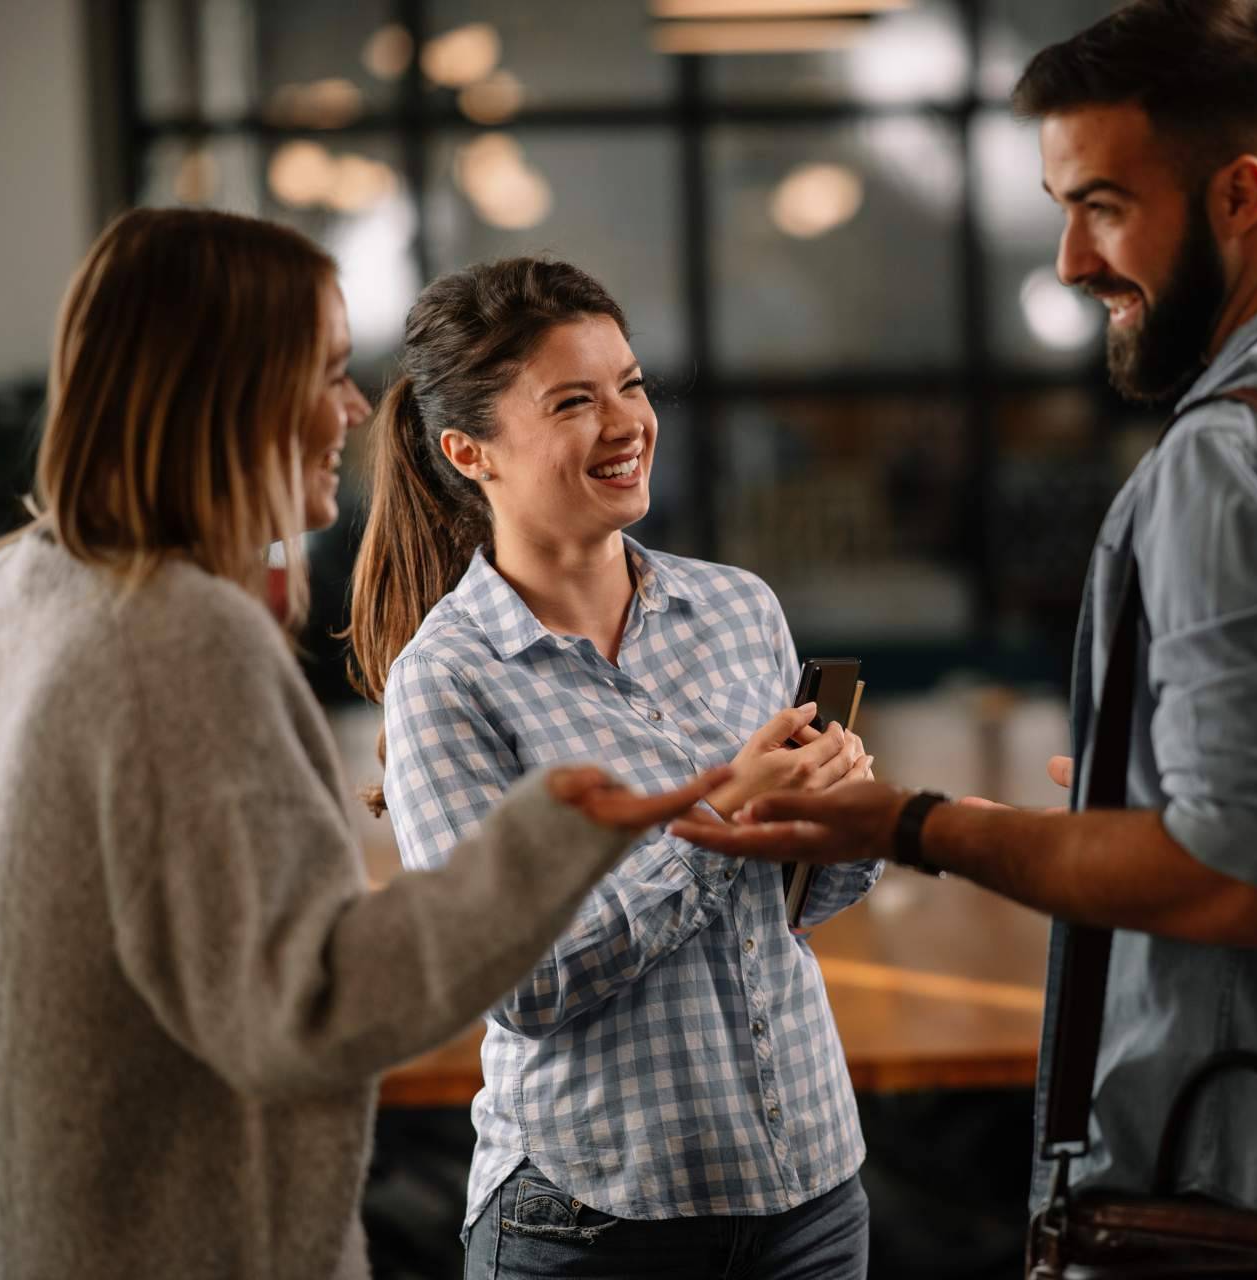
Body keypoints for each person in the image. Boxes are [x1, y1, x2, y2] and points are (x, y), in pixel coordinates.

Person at [672, 2, 1257, 1275]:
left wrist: (909, 823)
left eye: (1101, 204)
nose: (1072, 262)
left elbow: (1225, 878)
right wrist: (1128, 800)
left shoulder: (1236, 455)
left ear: (1240, 192)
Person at [0, 208, 726, 1280]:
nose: (356, 407)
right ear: (230, 389)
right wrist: (561, 828)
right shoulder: (173, 637)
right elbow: (308, 1004)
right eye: (326, 370)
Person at [343, 257, 880, 1279]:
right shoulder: (448, 681)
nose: (627, 420)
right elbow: (518, 981)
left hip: (810, 1192)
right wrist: (726, 814)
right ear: (470, 451)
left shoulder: (738, 608)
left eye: (631, 384)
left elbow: (797, 905)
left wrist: (841, 809)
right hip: (595, 1225)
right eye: (574, 401)